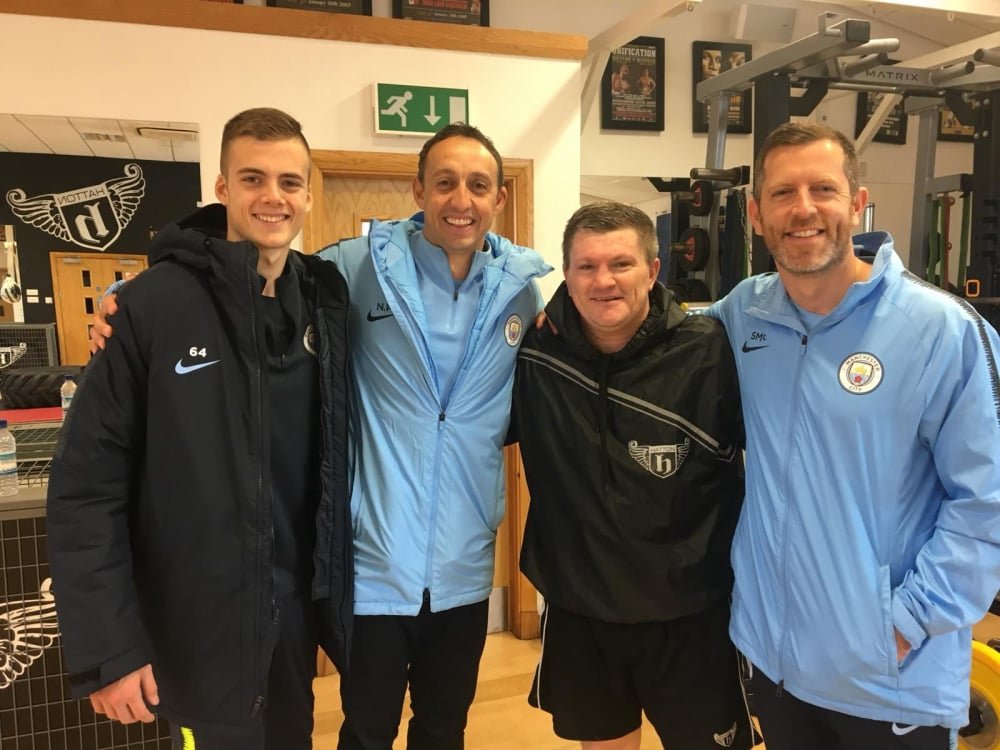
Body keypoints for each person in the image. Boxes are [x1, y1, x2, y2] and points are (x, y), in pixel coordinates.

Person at [48, 108, 353, 750]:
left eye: (290, 182)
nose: (273, 197)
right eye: (253, 178)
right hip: (195, 628)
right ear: (222, 188)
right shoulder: (152, 305)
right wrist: (109, 648)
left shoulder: (322, 302)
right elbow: (87, 487)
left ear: (308, 195)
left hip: (291, 620)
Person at [706, 121, 1000, 749]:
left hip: (889, 678)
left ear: (858, 202)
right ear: (756, 215)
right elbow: (647, 331)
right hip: (774, 664)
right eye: (782, 193)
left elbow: (988, 502)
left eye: (823, 189)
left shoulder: (940, 330)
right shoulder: (743, 312)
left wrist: (906, 622)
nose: (803, 209)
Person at [317, 123, 550, 750]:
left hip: (464, 562)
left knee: (445, 730)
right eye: (445, 183)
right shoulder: (356, 266)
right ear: (418, 190)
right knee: (366, 731)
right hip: (376, 560)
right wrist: (139, 298)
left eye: (478, 185)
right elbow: (264, 285)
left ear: (499, 198)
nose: (460, 200)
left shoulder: (520, 290)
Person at [511, 201, 752, 750]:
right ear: (566, 274)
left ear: (652, 270)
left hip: (693, 617)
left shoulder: (710, 352)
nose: (603, 281)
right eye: (586, 266)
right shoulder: (536, 352)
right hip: (581, 611)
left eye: (620, 264)